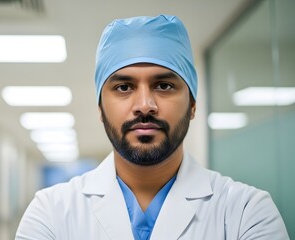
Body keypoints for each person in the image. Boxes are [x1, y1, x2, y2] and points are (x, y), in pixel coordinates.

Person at [15, 15, 289, 240]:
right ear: (100, 108)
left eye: (164, 85)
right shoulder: (50, 213)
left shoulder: (247, 214)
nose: (145, 105)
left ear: (193, 104)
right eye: (124, 87)